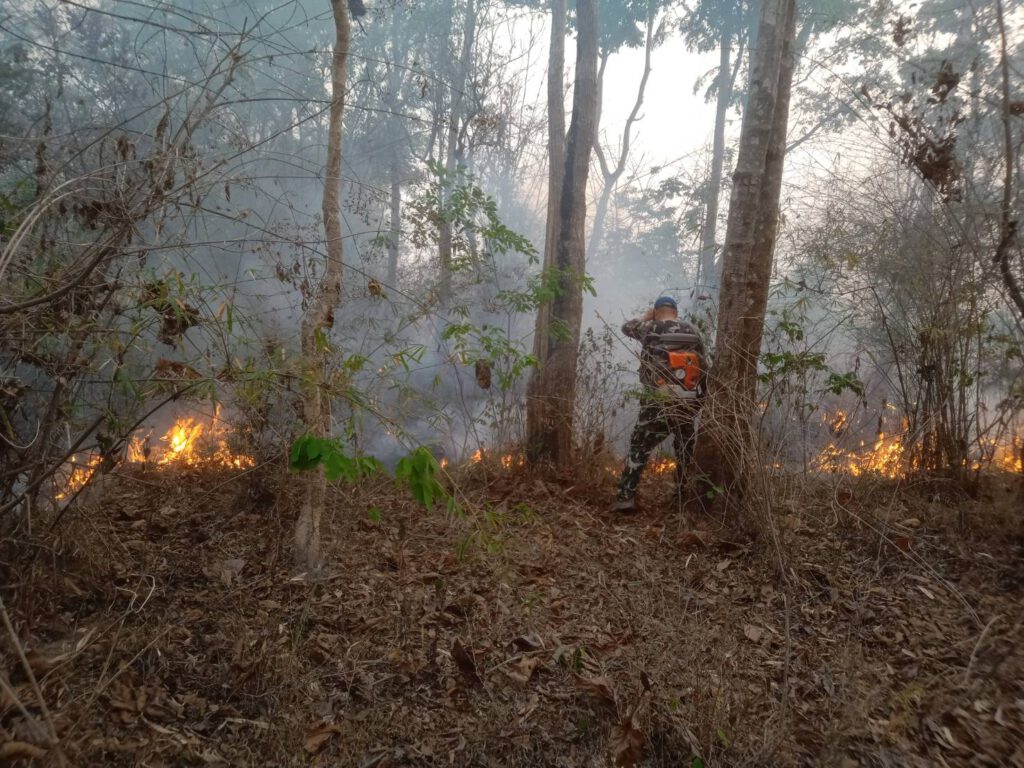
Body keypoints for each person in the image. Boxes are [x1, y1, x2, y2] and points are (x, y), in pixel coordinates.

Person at [613, 296, 706, 512]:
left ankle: (626, 497)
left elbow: (626, 327)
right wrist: (699, 400)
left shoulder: (650, 327)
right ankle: (683, 498)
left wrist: (648, 316)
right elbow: (704, 366)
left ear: (657, 311)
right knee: (685, 449)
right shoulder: (693, 331)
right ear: (675, 311)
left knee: (640, 444)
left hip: (658, 399)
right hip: (687, 399)